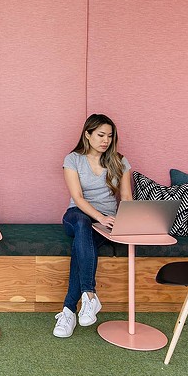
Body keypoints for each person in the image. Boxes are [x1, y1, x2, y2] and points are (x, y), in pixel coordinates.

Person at [53, 114, 132, 338]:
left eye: (109, 136)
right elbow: (77, 197)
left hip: (107, 221)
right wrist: (100, 216)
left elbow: (126, 197)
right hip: (77, 216)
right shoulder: (73, 159)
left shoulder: (120, 161)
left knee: (82, 249)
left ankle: (68, 311)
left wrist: (124, 220)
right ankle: (89, 294)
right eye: (100, 135)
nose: (105, 140)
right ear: (87, 135)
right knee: (82, 224)